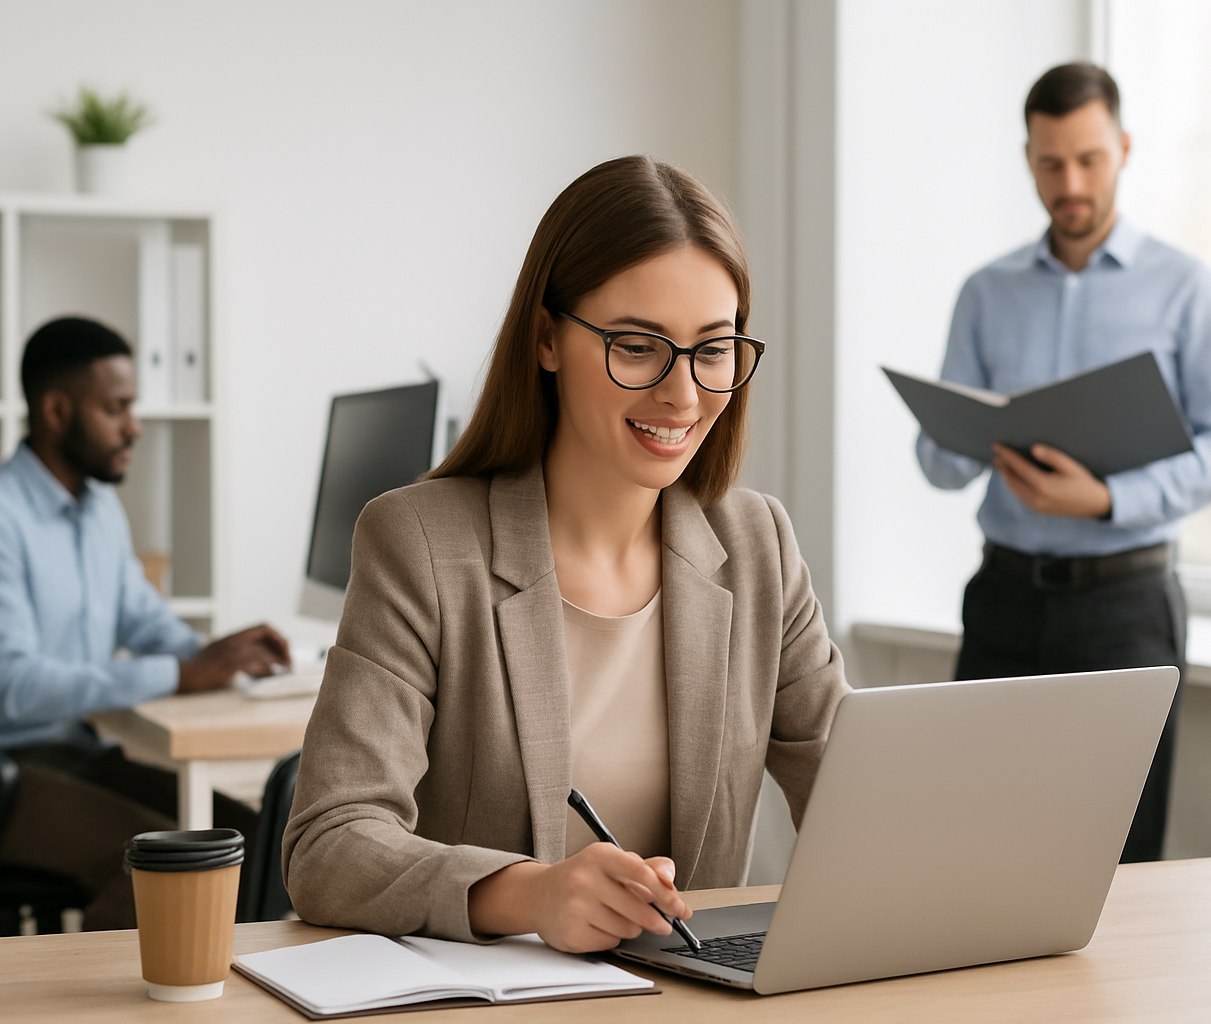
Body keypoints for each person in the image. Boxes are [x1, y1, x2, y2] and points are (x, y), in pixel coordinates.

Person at [284, 156, 849, 953]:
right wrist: (531, 893)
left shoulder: (757, 544)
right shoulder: (421, 543)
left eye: (712, 349)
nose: (683, 394)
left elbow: (856, 799)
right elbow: (328, 845)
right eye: (636, 345)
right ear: (547, 338)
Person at [915, 63, 1211, 862]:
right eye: (1049, 163)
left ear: (1124, 149)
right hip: (1001, 602)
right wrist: (954, 433)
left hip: (1126, 612)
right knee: (976, 853)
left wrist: (1106, 497)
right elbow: (938, 464)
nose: (1069, 182)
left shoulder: (1188, 288)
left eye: (1088, 159)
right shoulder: (986, 292)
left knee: (1120, 863)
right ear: (1028, 158)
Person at [0, 316, 291, 929]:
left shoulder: (100, 509)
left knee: (259, 839)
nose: (133, 427)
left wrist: (219, 656)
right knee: (162, 863)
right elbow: (14, 687)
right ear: (57, 410)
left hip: (69, 755)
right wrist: (180, 672)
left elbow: (142, 621)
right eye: (117, 408)